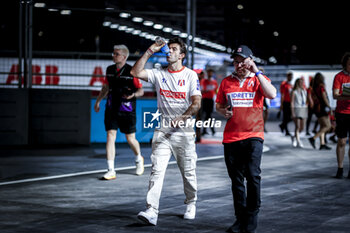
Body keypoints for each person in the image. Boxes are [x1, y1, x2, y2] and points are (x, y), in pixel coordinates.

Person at [130, 37, 202, 225]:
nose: (169, 51)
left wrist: (183, 117)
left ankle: (191, 202)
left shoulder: (190, 76)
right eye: (168, 48)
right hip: (163, 129)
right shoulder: (158, 73)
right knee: (156, 170)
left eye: (174, 49)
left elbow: (197, 103)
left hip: (184, 130)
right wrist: (150, 50)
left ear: (182, 55)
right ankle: (152, 210)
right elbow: (135, 72)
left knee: (188, 172)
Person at [215, 45, 276, 233]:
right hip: (231, 137)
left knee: (253, 176)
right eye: (236, 61)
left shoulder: (259, 79)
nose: (239, 64)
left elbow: (272, 94)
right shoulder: (226, 82)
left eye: (242, 60)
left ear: (250, 60)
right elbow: (219, 105)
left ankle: (251, 216)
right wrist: (222, 111)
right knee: (236, 181)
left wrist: (255, 71)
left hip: (253, 136)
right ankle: (240, 218)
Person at [94, 44, 145, 180]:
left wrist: (132, 95)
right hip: (111, 108)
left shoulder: (132, 71)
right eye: (113, 53)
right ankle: (111, 170)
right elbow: (105, 87)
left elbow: (141, 91)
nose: (113, 56)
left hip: (127, 109)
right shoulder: (109, 70)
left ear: (124, 56)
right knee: (110, 136)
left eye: (116, 54)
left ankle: (139, 159)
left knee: (130, 138)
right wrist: (98, 101)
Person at [332, 52, 350, 179]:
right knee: (342, 141)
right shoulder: (339, 76)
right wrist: (347, 96)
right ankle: (340, 168)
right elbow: (335, 95)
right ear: (345, 64)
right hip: (342, 113)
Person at [308, 73, 332, 150]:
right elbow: (324, 97)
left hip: (317, 108)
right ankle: (313, 138)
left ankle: (322, 144)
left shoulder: (314, 88)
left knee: (322, 126)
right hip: (322, 108)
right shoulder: (321, 87)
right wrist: (329, 106)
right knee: (327, 126)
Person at [291, 78, 308, 147]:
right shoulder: (294, 92)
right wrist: (292, 112)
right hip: (296, 108)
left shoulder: (304, 91)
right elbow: (292, 102)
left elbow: (306, 100)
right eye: (300, 82)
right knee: (297, 126)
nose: (302, 84)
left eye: (302, 82)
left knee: (302, 127)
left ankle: (294, 136)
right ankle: (298, 141)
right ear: (297, 83)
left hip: (303, 109)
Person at [201, 69, 218, 136]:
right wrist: (207, 90)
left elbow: (216, 91)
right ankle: (211, 130)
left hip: (210, 100)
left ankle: (206, 130)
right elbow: (202, 90)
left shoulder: (214, 82)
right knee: (207, 116)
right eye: (209, 73)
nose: (210, 74)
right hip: (204, 100)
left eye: (211, 73)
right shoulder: (204, 81)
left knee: (208, 116)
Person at [279, 71, 293, 136]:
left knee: (290, 117)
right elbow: (282, 95)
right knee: (286, 117)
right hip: (285, 102)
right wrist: (281, 104)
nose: (291, 77)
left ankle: (282, 125)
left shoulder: (291, 85)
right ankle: (286, 130)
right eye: (289, 76)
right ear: (287, 76)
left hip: (290, 102)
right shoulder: (284, 84)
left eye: (291, 76)